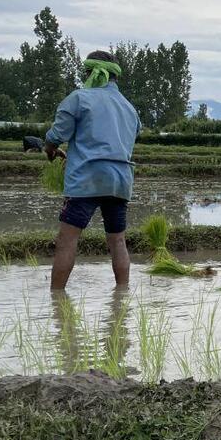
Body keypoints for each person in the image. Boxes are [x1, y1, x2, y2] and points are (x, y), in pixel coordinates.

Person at [43, 50, 141, 290]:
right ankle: (122, 296)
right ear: (114, 77)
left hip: (87, 179)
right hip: (120, 181)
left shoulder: (79, 98)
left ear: (92, 73)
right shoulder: (130, 108)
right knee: (118, 241)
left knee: (67, 240)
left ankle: (56, 300)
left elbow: (57, 135)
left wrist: (50, 148)